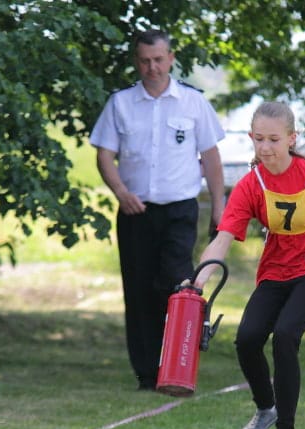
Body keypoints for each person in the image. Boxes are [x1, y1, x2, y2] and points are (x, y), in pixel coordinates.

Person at [189, 101, 305, 429]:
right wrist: (199, 281)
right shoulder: (251, 184)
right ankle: (266, 409)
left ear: (292, 139)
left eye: (274, 140)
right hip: (274, 273)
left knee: (285, 335)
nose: (265, 147)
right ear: (251, 138)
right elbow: (223, 238)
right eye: (259, 139)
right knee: (247, 339)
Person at [89, 29, 225, 391]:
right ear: (137, 61)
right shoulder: (120, 103)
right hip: (136, 212)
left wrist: (219, 209)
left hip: (180, 209)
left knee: (177, 285)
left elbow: (211, 157)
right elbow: (104, 156)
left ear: (171, 58)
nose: (152, 67)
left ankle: (179, 365)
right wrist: (120, 193)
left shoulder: (193, 102)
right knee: (139, 291)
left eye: (159, 60)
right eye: (145, 61)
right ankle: (148, 374)